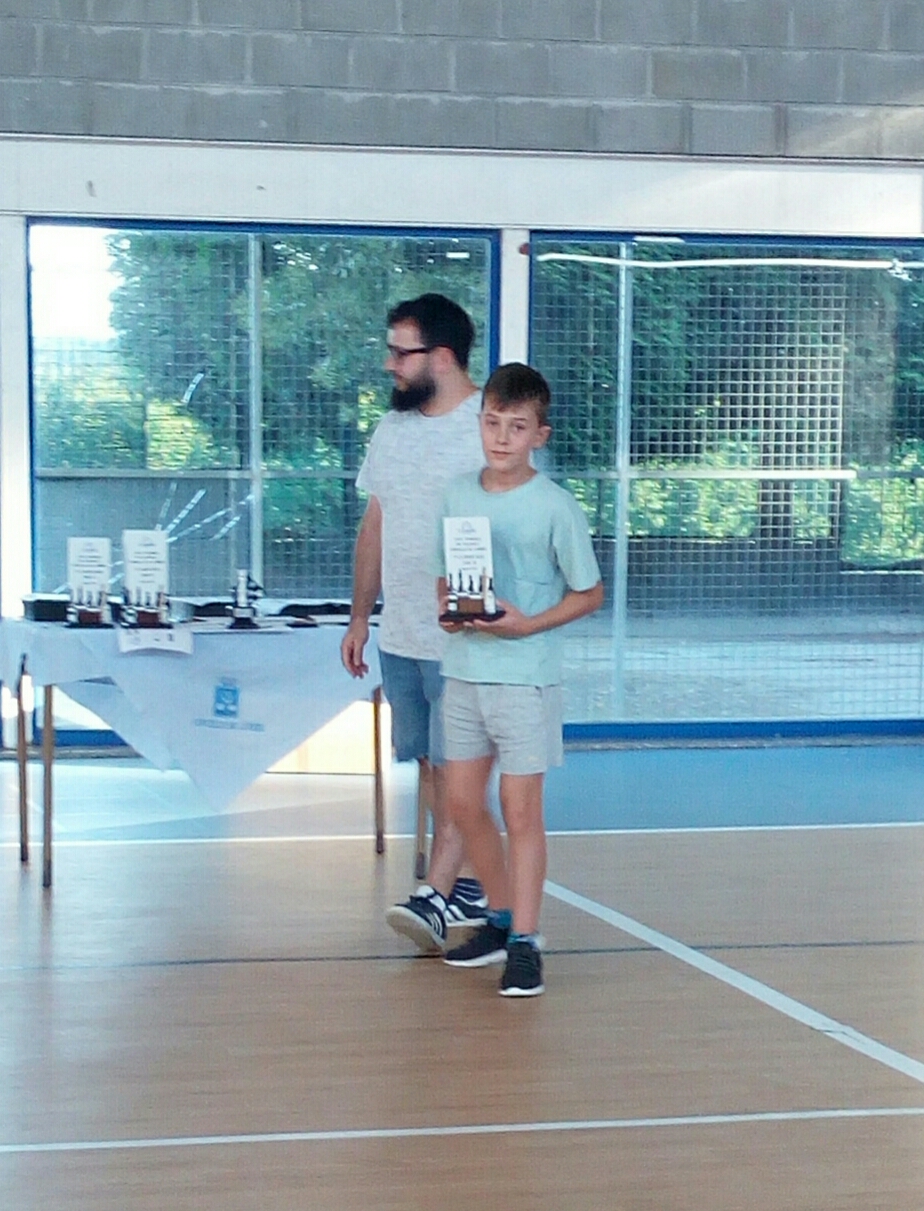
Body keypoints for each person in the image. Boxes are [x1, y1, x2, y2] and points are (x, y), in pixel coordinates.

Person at [436, 363, 604, 996]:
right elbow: (445, 575)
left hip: (525, 678)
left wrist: (528, 624)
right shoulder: (456, 494)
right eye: (492, 423)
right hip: (464, 671)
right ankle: (501, 917)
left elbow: (589, 593)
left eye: (516, 426)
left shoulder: (556, 506)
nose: (501, 437)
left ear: (540, 434)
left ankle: (527, 943)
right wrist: (450, 610)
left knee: (520, 808)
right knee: (460, 803)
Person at [340, 292, 488, 952]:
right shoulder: (392, 430)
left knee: (461, 768)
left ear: (443, 357)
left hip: (464, 641)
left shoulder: (489, 427)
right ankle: (473, 887)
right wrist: (359, 617)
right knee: (431, 764)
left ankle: (439, 893)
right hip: (401, 634)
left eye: (402, 353)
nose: (389, 364)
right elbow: (375, 525)